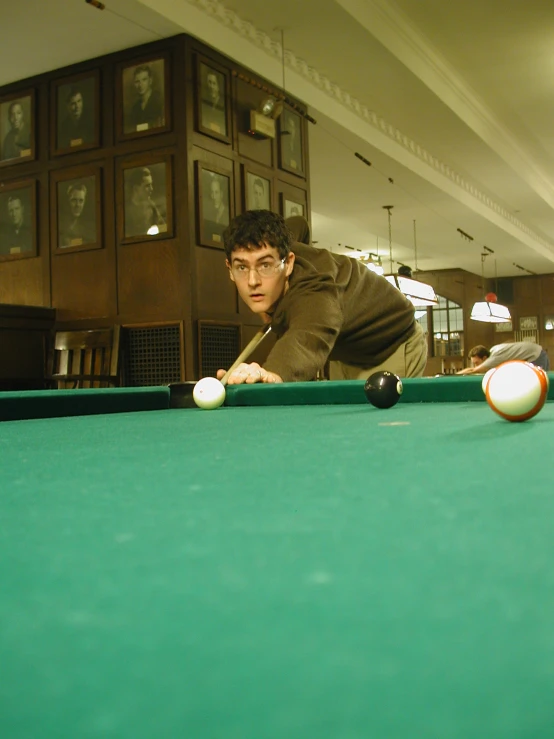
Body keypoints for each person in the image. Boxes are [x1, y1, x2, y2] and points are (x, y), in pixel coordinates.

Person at [216, 210, 427, 385]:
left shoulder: (316, 294)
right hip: (346, 350)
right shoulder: (280, 241)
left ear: (288, 263)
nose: (253, 281)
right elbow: (299, 223)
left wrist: (271, 373)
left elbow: (305, 337)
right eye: (242, 267)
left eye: (265, 265)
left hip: (391, 344)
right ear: (229, 268)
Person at [457, 343, 550, 374]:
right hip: (536, 352)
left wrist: (454, 376)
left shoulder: (493, 358)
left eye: (476, 362)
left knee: (539, 383)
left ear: (485, 358)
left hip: (537, 355)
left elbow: (474, 371)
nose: (475, 365)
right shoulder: (493, 350)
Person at [125, 167, 166, 237]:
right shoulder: (126, 211)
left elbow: (162, 226)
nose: (151, 189)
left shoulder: (151, 206)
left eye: (151, 185)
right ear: (136, 188)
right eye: (147, 186)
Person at [126, 65, 164, 131]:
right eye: (137, 81)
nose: (140, 85)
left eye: (144, 80)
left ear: (150, 81)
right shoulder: (135, 107)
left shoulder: (160, 101)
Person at [201, 69, 226, 134]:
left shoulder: (223, 105)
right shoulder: (204, 104)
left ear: (218, 87)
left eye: (214, 83)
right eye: (209, 82)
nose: (211, 86)